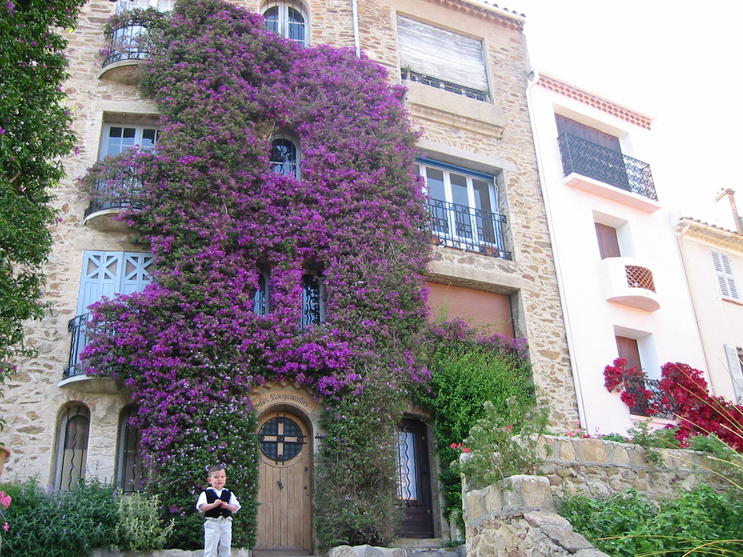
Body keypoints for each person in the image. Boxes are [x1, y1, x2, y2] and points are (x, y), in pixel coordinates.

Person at [196, 464, 240, 557]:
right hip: (212, 523)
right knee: (211, 546)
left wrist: (227, 506)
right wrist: (213, 505)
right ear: (209, 480)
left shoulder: (228, 493)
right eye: (216, 477)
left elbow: (236, 507)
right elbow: (201, 507)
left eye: (222, 477)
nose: (219, 479)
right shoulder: (206, 493)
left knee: (225, 546)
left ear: (225, 479)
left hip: (226, 523)